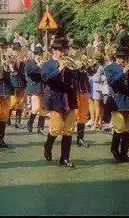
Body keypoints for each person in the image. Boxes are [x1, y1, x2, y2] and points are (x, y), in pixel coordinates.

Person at [41, 34, 77, 168]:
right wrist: (59, 68)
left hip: (69, 98)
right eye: (61, 50)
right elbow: (46, 79)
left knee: (69, 130)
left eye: (64, 50)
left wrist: (78, 70)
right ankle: (48, 144)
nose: (63, 52)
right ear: (54, 50)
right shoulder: (47, 64)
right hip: (55, 98)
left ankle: (65, 158)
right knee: (56, 129)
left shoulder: (69, 62)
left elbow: (77, 78)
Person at [104, 48, 129, 162]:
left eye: (126, 58)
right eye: (123, 58)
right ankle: (115, 150)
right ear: (117, 57)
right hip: (117, 100)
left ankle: (124, 153)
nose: (125, 60)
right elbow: (111, 82)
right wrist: (123, 71)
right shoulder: (109, 68)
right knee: (119, 128)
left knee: (128, 129)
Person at [24, 45, 47, 135]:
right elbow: (28, 71)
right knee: (36, 107)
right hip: (34, 87)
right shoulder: (30, 63)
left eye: (40, 54)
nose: (39, 56)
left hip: (43, 87)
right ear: (34, 55)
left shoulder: (44, 63)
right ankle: (30, 121)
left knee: (43, 109)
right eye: (37, 54)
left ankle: (40, 128)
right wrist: (38, 65)